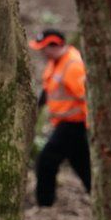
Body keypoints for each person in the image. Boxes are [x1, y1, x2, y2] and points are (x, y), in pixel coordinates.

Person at [30, 29, 91, 206]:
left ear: (55, 45)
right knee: (82, 164)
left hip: (73, 124)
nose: (41, 52)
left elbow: (88, 97)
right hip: (65, 124)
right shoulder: (55, 62)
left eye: (44, 48)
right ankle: (101, 195)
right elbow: (48, 89)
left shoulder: (73, 66)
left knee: (46, 161)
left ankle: (45, 203)